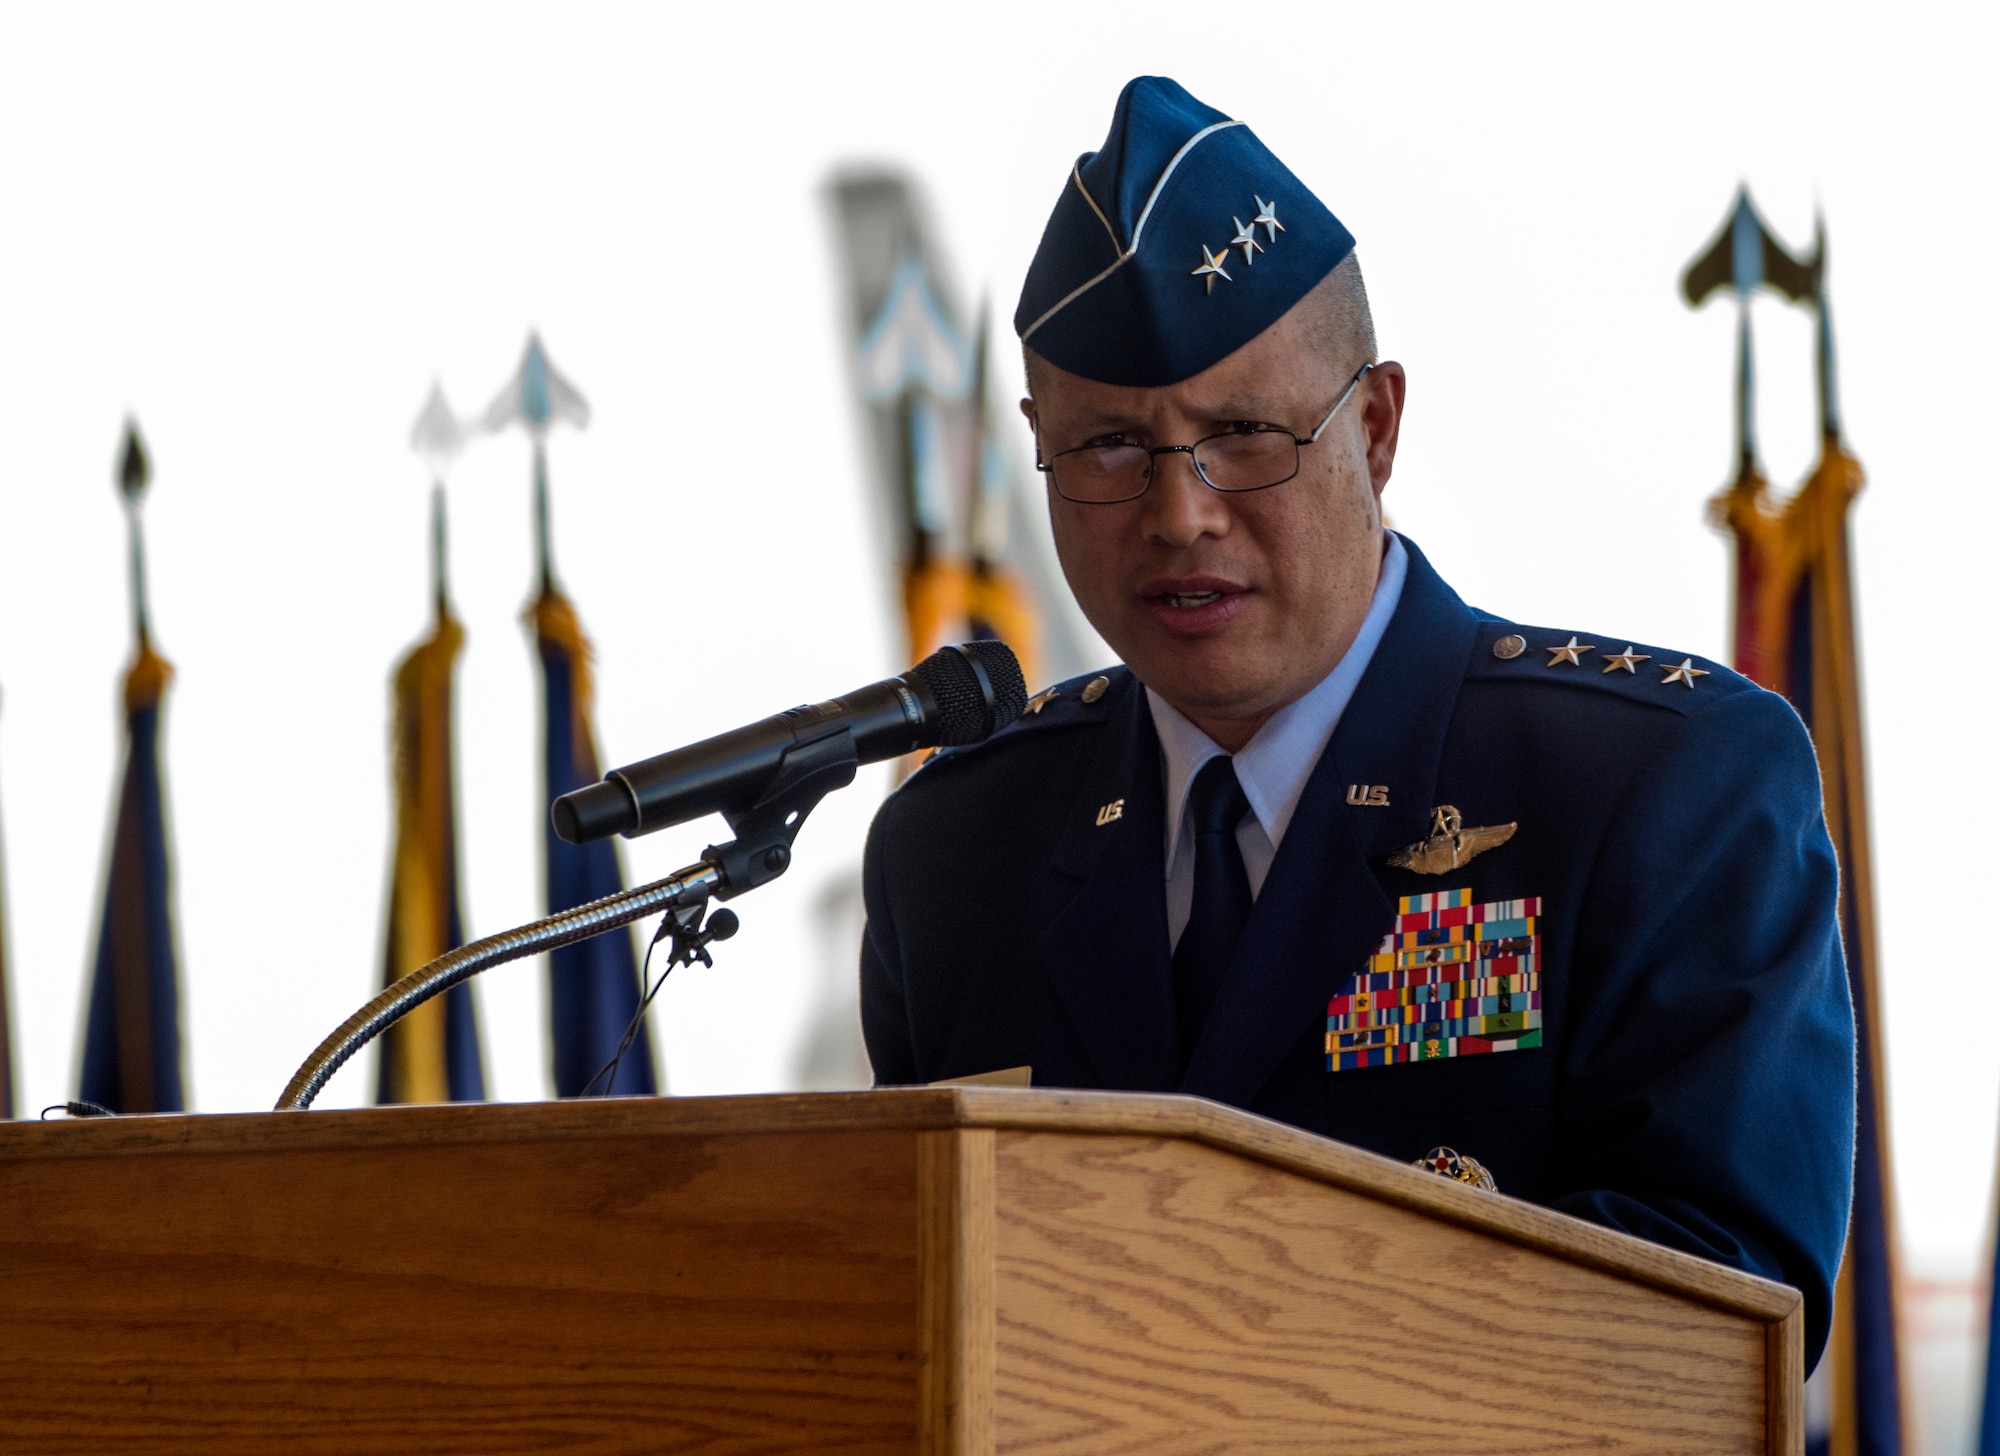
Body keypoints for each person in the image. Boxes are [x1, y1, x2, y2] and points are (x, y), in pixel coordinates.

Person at [859, 75, 1854, 1365]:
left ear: (1376, 428)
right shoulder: (960, 845)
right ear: (1038, 443)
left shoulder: (1659, 788)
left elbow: (1717, 1325)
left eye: (1243, 434)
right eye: (1109, 447)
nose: (1180, 513)